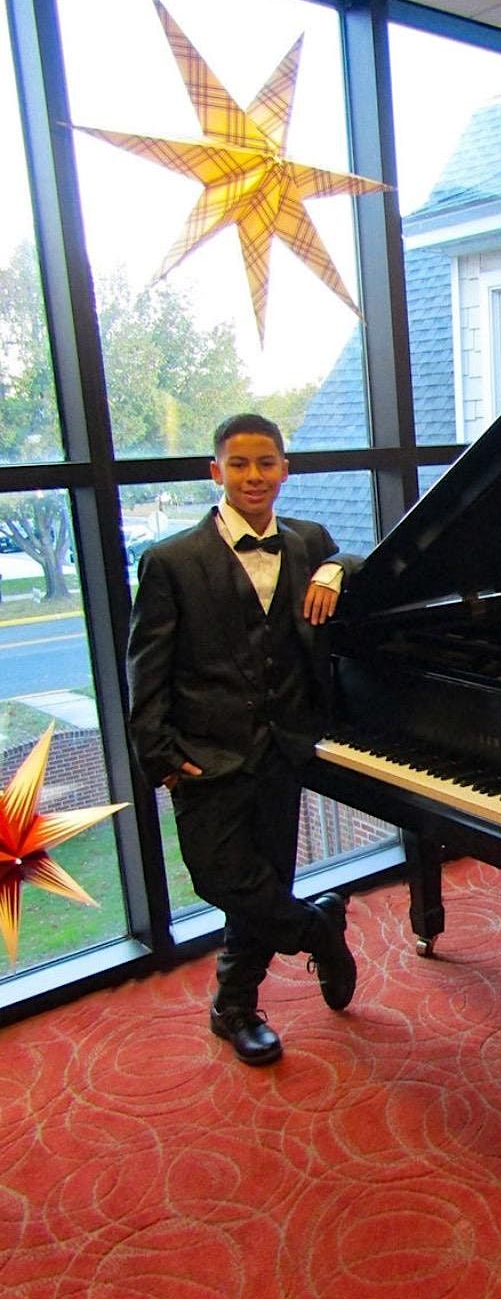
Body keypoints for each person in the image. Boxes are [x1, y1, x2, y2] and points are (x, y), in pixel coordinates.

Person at [127, 413, 362, 1067]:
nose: (253, 476)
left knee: (268, 876)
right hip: (204, 754)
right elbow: (146, 668)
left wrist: (337, 568)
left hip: (284, 746)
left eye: (266, 463)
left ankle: (234, 1007)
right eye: (239, 464)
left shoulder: (309, 540)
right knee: (220, 876)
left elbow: (366, 558)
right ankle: (318, 928)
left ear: (285, 469)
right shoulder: (171, 560)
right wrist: (159, 754)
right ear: (216, 472)